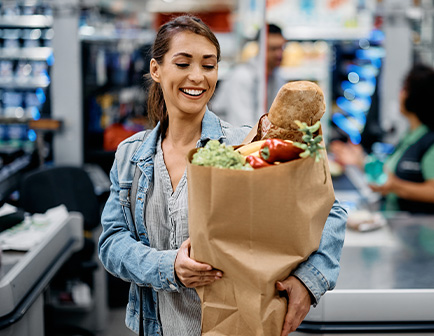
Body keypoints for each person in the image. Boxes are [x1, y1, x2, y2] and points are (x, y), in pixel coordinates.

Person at [98, 15, 347, 336]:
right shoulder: (131, 156)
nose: (197, 77)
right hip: (156, 327)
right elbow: (112, 241)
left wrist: (308, 280)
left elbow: (329, 210)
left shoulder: (248, 145)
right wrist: (168, 266)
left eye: (208, 65)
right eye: (183, 63)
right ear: (156, 70)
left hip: (239, 326)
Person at [330, 64, 434, 213]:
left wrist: (396, 186)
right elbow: (388, 176)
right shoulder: (411, 136)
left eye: (404, 89)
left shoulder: (430, 141)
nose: (400, 94)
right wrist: (360, 160)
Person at [211, 23, 287, 127]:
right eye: (273, 49)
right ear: (260, 49)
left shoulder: (277, 77)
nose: (279, 54)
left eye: (281, 48)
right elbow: (243, 125)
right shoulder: (242, 76)